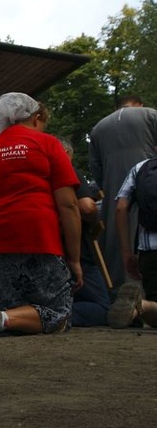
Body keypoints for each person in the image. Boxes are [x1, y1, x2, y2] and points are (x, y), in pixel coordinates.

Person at [0, 94, 82, 337]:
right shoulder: (48, 143)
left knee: (4, 301)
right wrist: (74, 258)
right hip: (36, 238)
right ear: (36, 117)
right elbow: (69, 204)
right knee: (59, 314)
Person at [89, 95, 157, 291]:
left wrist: (109, 188)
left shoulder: (98, 128)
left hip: (115, 197)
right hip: (149, 198)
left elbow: (95, 168)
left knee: (116, 245)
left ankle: (120, 292)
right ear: (139, 104)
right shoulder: (151, 115)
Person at [56, 139, 112, 327]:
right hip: (77, 251)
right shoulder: (66, 169)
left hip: (44, 251)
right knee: (104, 309)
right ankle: (49, 316)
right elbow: (87, 208)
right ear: (66, 153)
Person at [107, 159, 157, 328]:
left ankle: (142, 307)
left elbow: (121, 208)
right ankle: (143, 306)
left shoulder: (141, 167)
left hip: (150, 252)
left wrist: (127, 253)